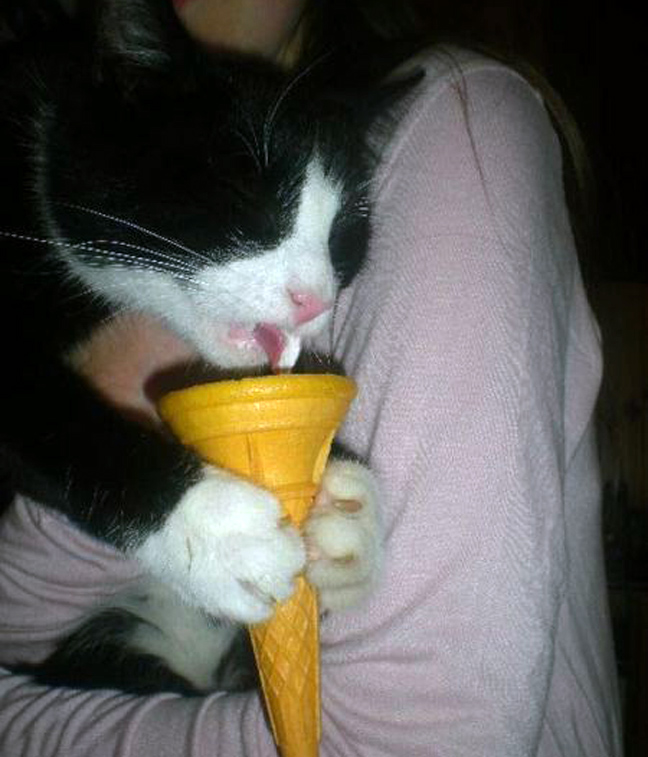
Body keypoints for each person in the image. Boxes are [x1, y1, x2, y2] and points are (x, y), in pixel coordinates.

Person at [0, 0, 622, 754]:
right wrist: (129, 468)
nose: (316, 295)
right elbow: (22, 630)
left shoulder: (457, 124)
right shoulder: (57, 163)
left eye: (339, 237)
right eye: (251, 197)